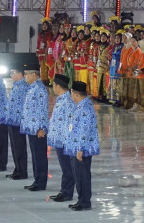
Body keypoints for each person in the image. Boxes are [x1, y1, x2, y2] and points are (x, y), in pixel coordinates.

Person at [64, 81, 100, 211]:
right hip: (76, 147)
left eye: (71, 93)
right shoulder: (81, 106)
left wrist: (80, 149)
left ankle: (84, 202)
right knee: (79, 175)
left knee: (82, 175)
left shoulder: (85, 108)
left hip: (81, 149)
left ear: (75, 93)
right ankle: (81, 199)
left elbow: (85, 130)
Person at [47, 74, 76, 202]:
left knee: (67, 168)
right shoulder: (61, 99)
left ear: (58, 86)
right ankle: (64, 191)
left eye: (53, 85)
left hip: (64, 141)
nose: (53, 87)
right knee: (65, 168)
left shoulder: (67, 101)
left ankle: (67, 193)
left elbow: (70, 122)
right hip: (59, 140)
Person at [21, 63, 49, 191]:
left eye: (26, 74)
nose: (24, 76)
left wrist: (43, 128)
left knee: (39, 156)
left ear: (34, 75)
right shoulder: (32, 87)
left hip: (38, 129)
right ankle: (36, 179)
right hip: (31, 127)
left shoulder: (40, 89)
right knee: (34, 155)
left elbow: (43, 109)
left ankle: (41, 181)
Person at [5, 65, 31, 180]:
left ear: (20, 74)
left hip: (19, 121)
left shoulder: (25, 87)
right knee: (15, 147)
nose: (11, 75)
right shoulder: (16, 85)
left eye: (13, 72)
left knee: (19, 147)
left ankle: (22, 171)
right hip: (12, 121)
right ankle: (17, 169)